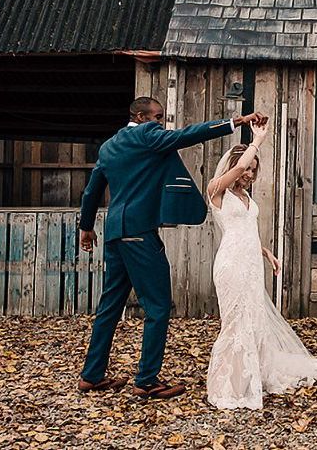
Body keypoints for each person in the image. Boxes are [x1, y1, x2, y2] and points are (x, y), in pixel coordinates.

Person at [76, 96, 266, 399]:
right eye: (157, 117)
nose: (161, 123)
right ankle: (147, 380)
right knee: (159, 306)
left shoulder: (109, 146)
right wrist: (236, 122)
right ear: (140, 116)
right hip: (139, 233)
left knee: (110, 306)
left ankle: (92, 375)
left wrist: (86, 227)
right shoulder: (146, 134)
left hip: (115, 233)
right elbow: (186, 135)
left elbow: (92, 190)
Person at [206, 120, 317, 409]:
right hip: (231, 265)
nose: (248, 174)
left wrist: (266, 253)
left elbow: (245, 231)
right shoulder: (216, 190)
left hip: (251, 264)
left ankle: (252, 375)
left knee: (254, 321)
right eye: (246, 168)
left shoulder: (245, 197)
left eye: (253, 169)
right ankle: (230, 385)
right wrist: (256, 141)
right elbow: (235, 173)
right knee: (236, 324)